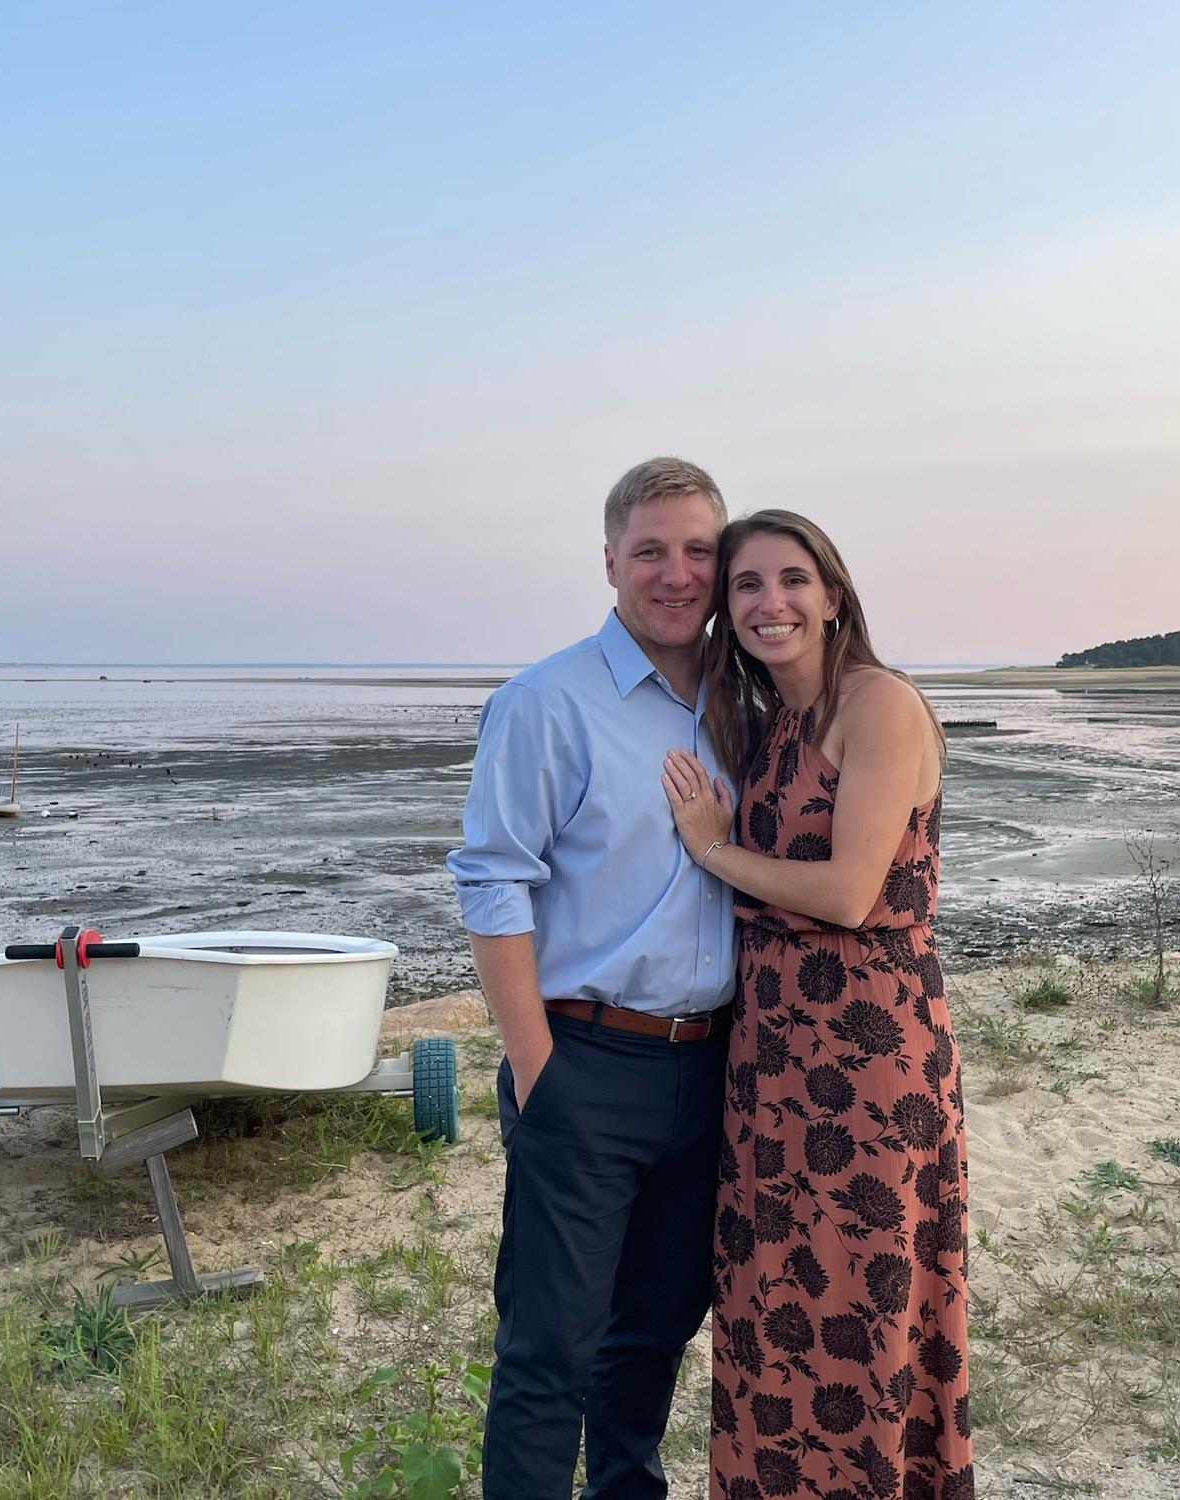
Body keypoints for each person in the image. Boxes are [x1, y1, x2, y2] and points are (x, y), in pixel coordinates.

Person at [661, 509, 974, 1500]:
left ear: (834, 595)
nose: (769, 603)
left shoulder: (876, 704)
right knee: (770, 1306)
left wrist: (713, 849)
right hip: (774, 1062)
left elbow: (847, 892)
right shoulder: (774, 724)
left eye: (792, 580)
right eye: (746, 586)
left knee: (856, 1311)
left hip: (868, 1064)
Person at [447, 457, 738, 1500]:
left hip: (707, 1070)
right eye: (651, 550)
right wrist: (539, 1071)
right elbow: (491, 885)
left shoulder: (741, 702)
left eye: (698, 549)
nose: (675, 573)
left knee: (656, 1329)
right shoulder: (547, 701)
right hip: (583, 1060)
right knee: (549, 1350)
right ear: (609, 560)